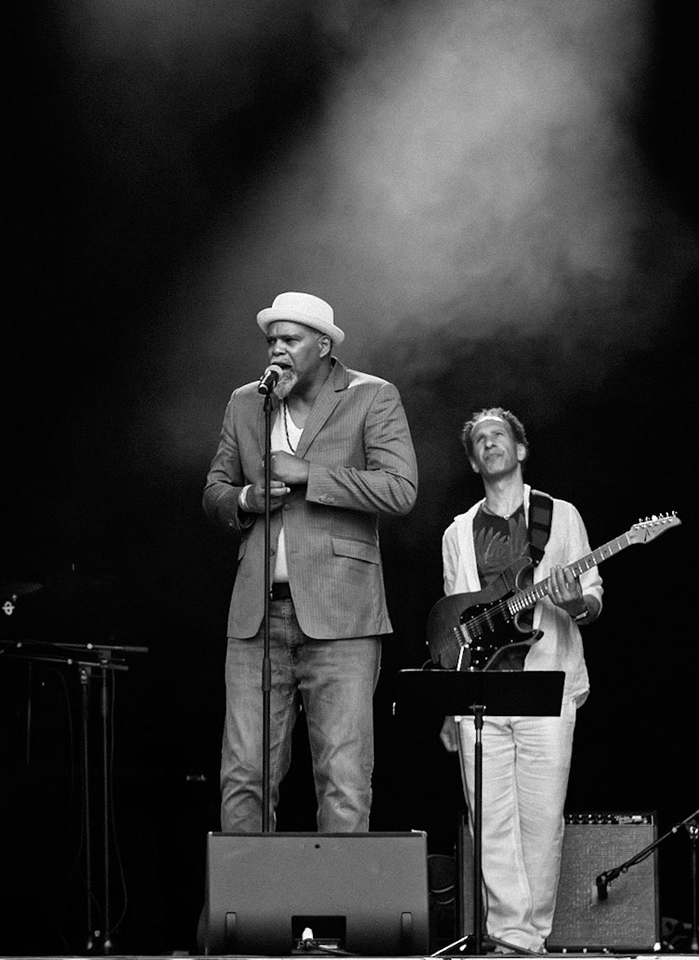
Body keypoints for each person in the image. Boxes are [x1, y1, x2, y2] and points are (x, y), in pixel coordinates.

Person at [203, 291, 418, 832]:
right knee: (244, 777)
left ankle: (337, 915)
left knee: (343, 781)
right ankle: (248, 914)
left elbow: (399, 489)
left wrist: (308, 475)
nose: (277, 350)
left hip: (342, 618)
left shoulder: (372, 396)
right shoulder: (246, 402)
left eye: (290, 340)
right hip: (258, 617)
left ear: (323, 345)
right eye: (272, 340)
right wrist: (247, 501)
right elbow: (214, 489)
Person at [438, 408, 601, 954]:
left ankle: (532, 938)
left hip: (545, 685)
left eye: (499, 436)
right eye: (480, 440)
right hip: (479, 693)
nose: (490, 444)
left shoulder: (560, 516)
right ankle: (509, 937)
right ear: (472, 459)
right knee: (489, 822)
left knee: (541, 820)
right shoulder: (458, 533)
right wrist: (448, 703)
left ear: (520, 449)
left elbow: (592, 598)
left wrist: (572, 599)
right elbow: (453, 626)